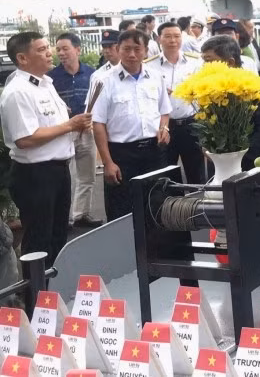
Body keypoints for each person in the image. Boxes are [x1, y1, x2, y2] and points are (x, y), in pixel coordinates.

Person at [0, 32, 93, 267]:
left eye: (46, 47)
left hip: (58, 169)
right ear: (22, 58)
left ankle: (54, 294)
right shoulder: (18, 91)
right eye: (41, 50)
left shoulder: (45, 84)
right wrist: (70, 125)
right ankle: (36, 296)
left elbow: (53, 125)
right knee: (39, 240)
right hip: (35, 174)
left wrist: (75, 125)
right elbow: (26, 138)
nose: (50, 52)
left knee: (58, 235)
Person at [91, 29, 171, 221]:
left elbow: (164, 111)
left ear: (145, 50)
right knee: (122, 210)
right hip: (121, 154)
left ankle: (155, 250)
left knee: (156, 205)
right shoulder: (103, 81)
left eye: (137, 49)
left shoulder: (155, 76)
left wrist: (164, 127)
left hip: (153, 151)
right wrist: (107, 162)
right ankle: (124, 250)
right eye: (127, 49)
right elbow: (98, 123)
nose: (132, 54)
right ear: (118, 49)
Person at [48, 32, 103, 229]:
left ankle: (81, 215)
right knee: (67, 178)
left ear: (78, 50)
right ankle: (66, 218)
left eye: (65, 48)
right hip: (64, 133)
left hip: (88, 131)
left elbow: (101, 103)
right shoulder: (51, 78)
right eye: (58, 49)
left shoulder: (92, 74)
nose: (61, 53)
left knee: (87, 176)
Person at [200, 35, 260, 171]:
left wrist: (234, 159)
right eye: (203, 61)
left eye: (209, 61)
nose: (204, 67)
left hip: (249, 170)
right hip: (218, 169)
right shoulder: (209, 92)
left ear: (230, 62)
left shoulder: (257, 90)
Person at [143, 21, 205, 185]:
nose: (173, 40)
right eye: (168, 36)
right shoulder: (149, 66)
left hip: (191, 123)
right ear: (159, 39)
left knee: (196, 171)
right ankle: (172, 209)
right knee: (167, 172)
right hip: (164, 126)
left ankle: (197, 207)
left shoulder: (196, 62)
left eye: (177, 36)